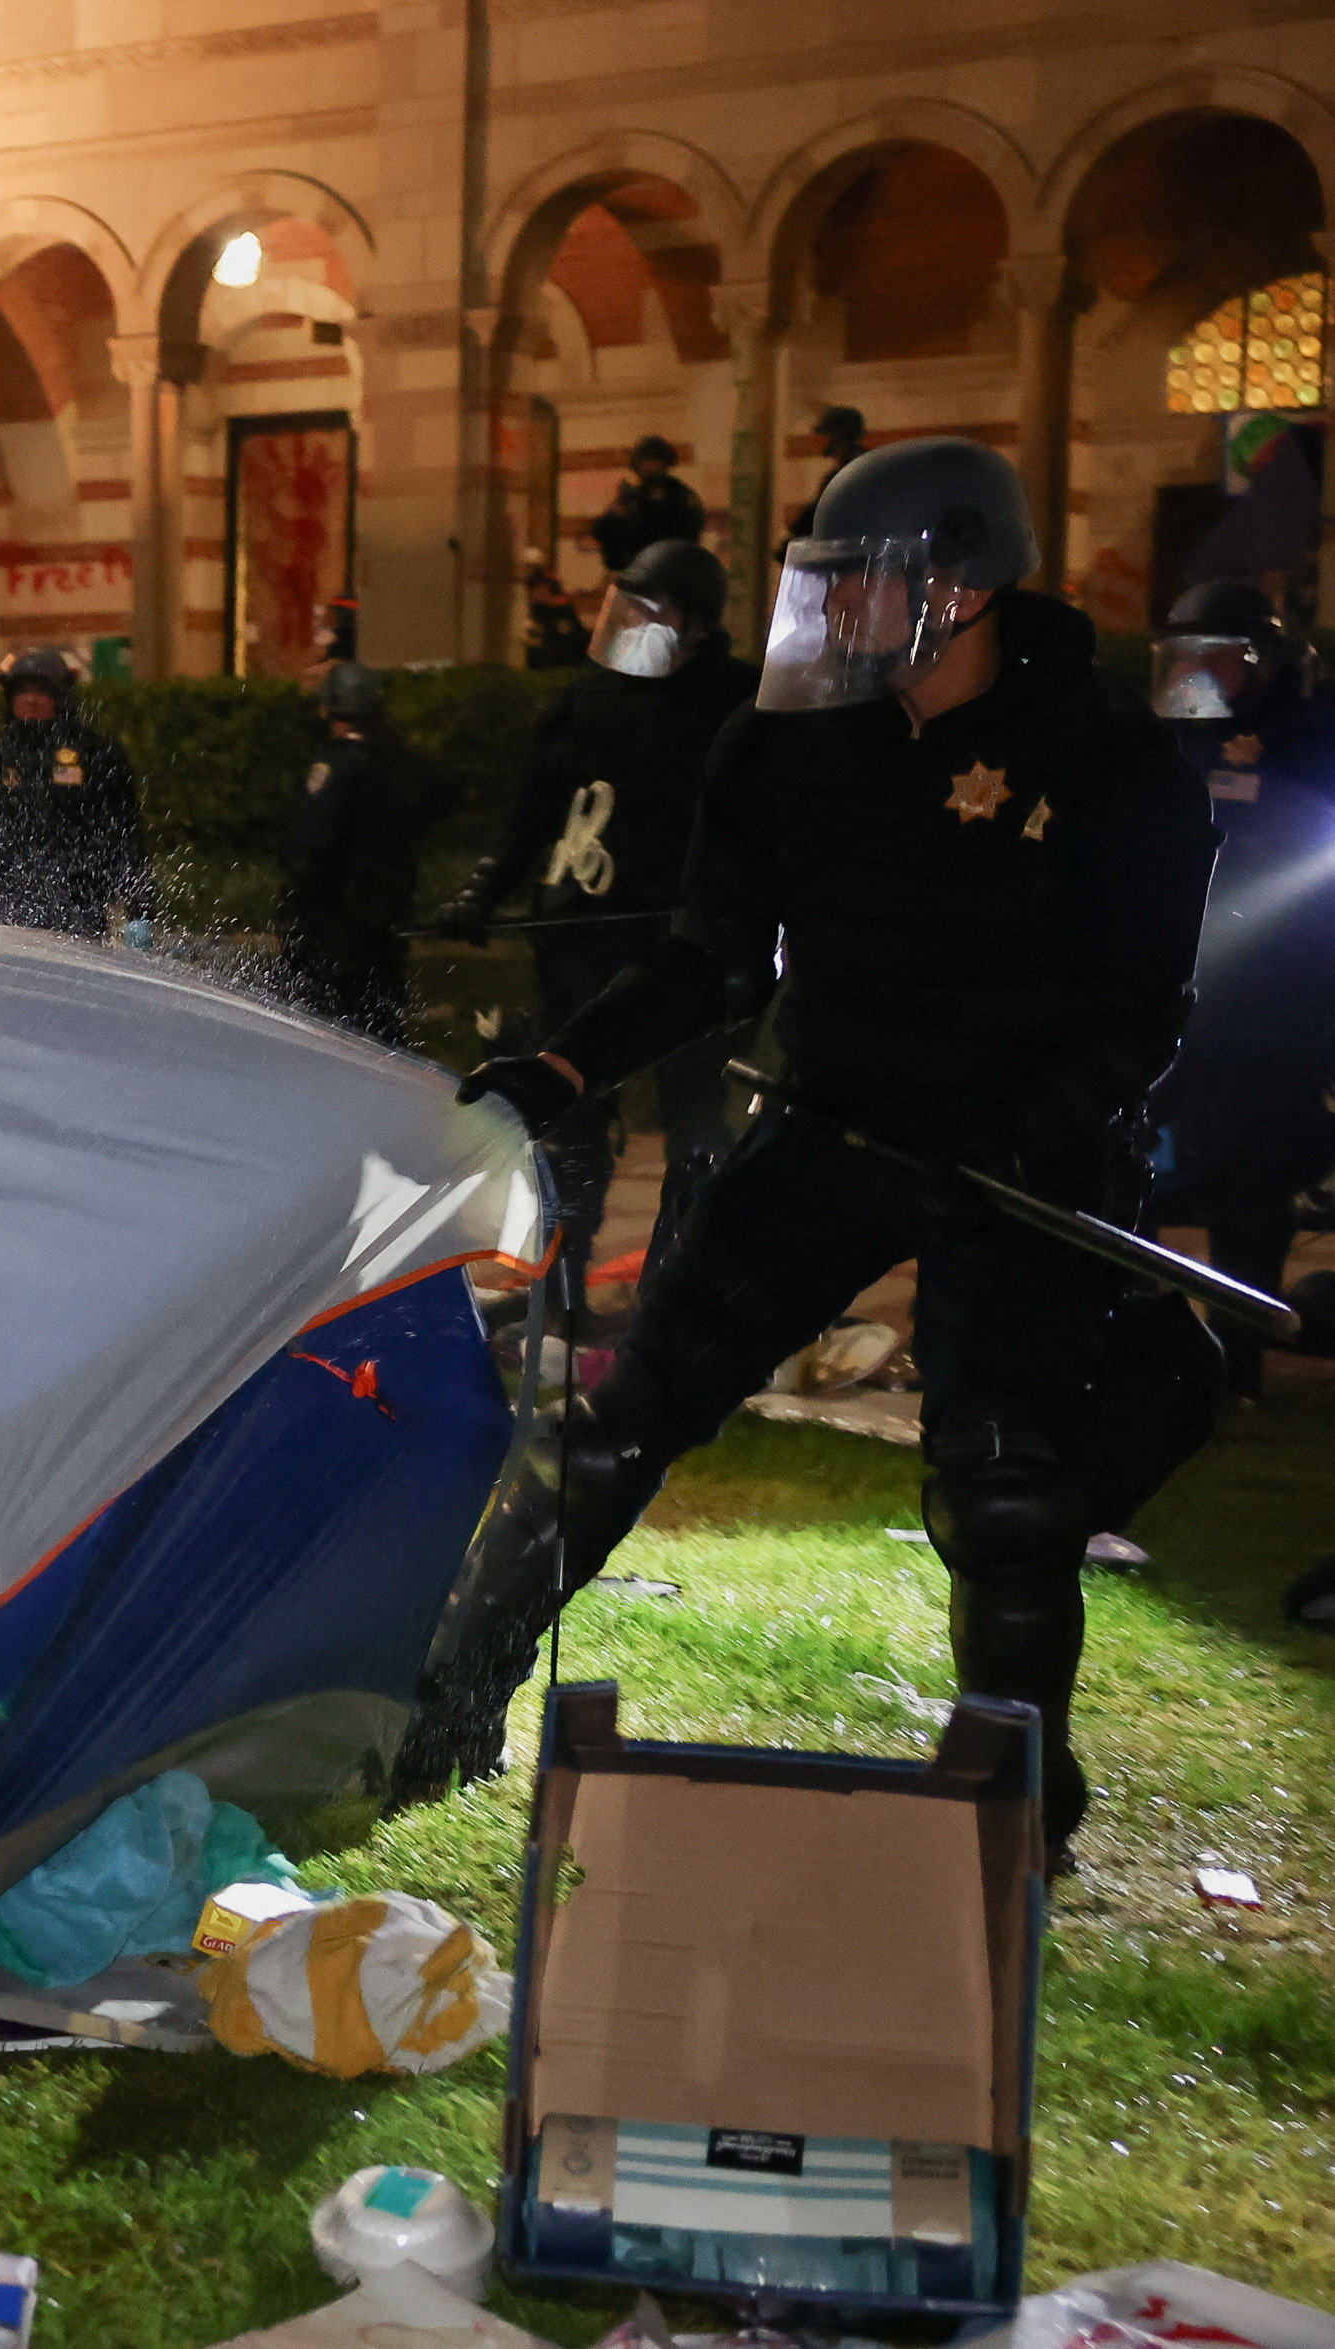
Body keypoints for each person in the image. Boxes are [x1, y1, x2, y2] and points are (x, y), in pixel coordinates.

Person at [411, 438, 1219, 1867]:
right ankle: (440, 1703)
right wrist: (561, 1064)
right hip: (830, 1127)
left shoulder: (1106, 758)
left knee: (1001, 1485)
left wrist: (1021, 1135)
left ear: (957, 587)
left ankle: (1016, 1806)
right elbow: (710, 959)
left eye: (857, 586)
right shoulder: (779, 743)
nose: (827, 616)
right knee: (610, 1422)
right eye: (820, 588)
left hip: (1015, 1164)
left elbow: (1135, 1011)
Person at [443, 540, 757, 1282]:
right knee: (569, 1112)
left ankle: (681, 1280)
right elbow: (533, 812)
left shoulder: (732, 707)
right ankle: (559, 1276)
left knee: (693, 1115)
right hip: (576, 936)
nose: (632, 623)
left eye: (655, 609)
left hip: (679, 949)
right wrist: (481, 892)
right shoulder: (586, 702)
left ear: (696, 624)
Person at [1143, 578, 1335, 1401]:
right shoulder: (1168, 739)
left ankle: (1240, 1356)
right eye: (1188, 659)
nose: (1202, 676)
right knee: (1133, 1172)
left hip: (1275, 992)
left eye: (1220, 659)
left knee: (1251, 1185)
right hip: (1177, 981)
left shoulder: (1306, 732)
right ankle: (1130, 1345)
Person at [277, 660, 452, 1045]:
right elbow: (438, 802)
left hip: (334, 921)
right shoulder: (401, 763)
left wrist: (294, 914)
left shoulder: (337, 766)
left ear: (329, 708)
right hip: (387, 913)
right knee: (381, 1022)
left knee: (324, 1028)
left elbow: (313, 845)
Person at [0, 646, 151, 938]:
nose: (31, 701)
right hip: (3, 902)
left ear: (61, 697)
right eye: (23, 692)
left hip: (78, 903)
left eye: (42, 692)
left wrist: (140, 907)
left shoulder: (96, 755)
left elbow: (123, 834)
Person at [590, 437, 708, 575]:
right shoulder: (636, 495)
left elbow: (679, 532)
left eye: (652, 461)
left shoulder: (677, 494)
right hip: (636, 570)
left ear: (663, 463)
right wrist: (618, 514)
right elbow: (601, 530)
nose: (647, 466)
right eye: (644, 461)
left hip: (666, 570)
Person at [784, 405, 869, 547]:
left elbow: (821, 518)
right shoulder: (855, 467)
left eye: (824, 434)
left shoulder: (851, 473)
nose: (817, 440)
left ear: (838, 435)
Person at [522, 554, 590, 670]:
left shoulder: (563, 610)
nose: (541, 592)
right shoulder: (533, 612)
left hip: (565, 659)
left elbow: (577, 633)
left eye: (544, 589)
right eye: (537, 589)